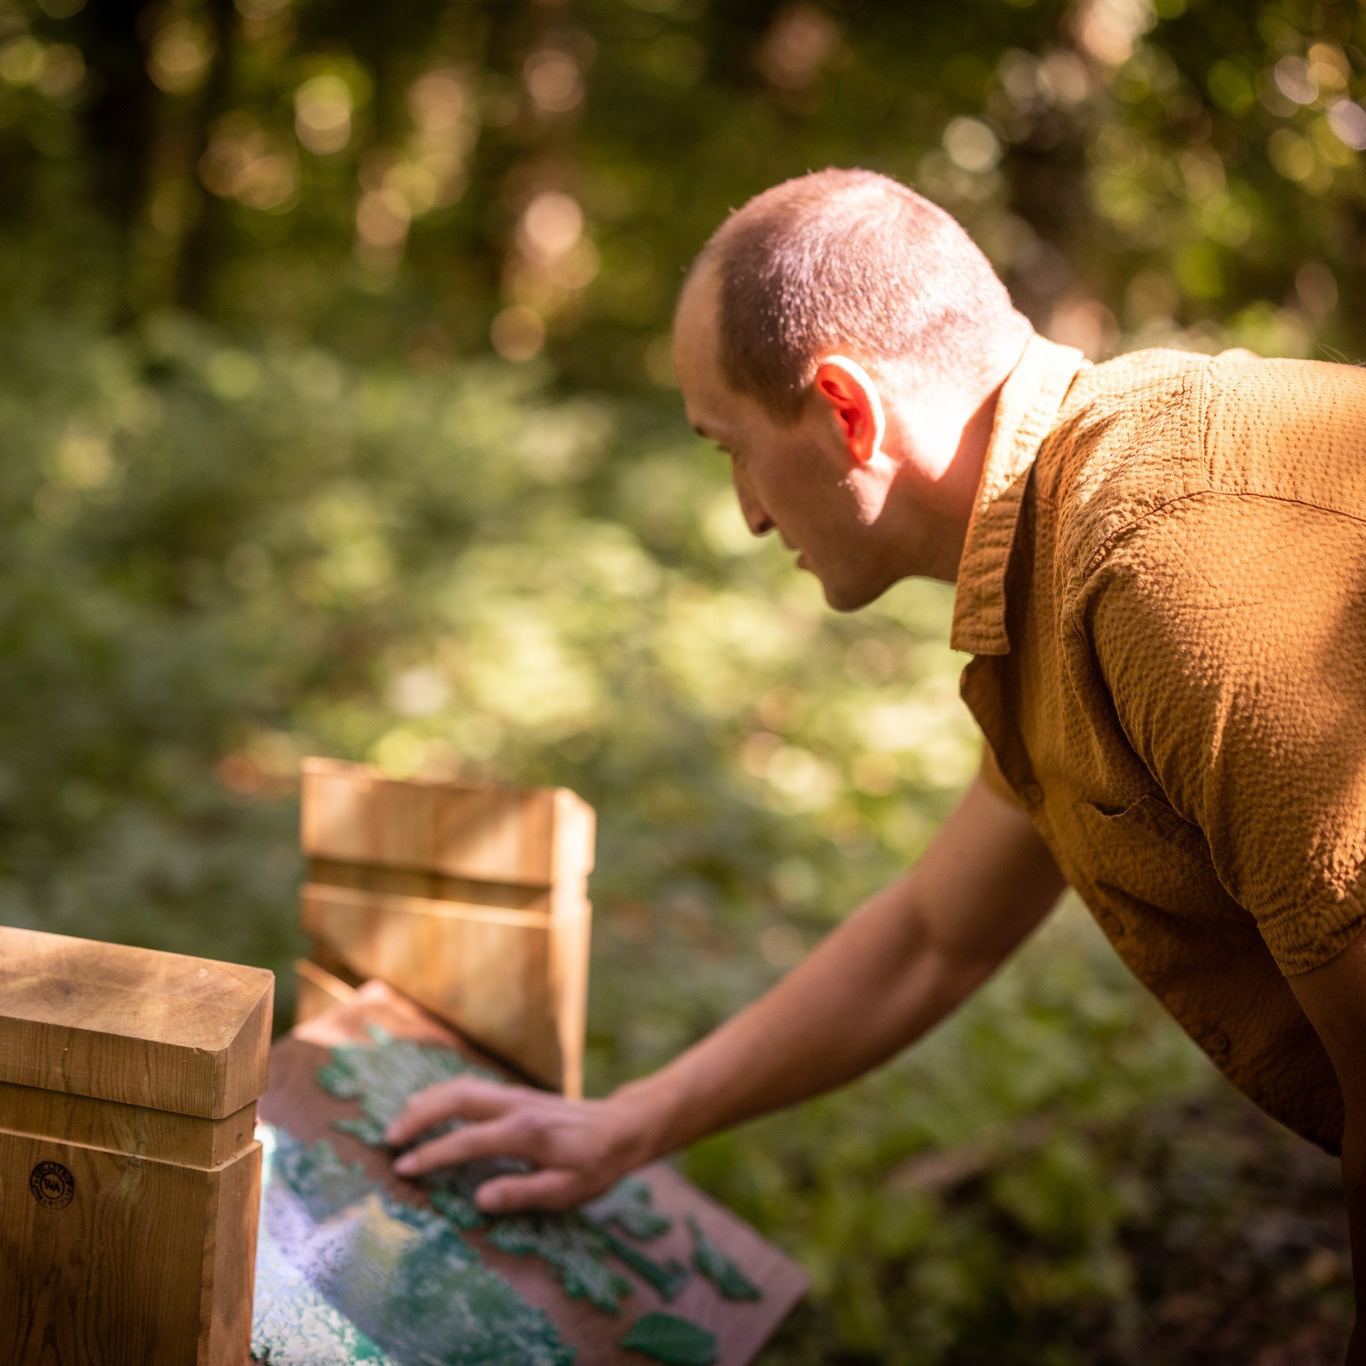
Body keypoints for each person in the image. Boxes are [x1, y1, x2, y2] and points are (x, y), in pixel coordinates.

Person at [386, 169, 1366, 1358]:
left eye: (732, 450)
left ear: (847, 411)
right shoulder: (1060, 559)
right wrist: (624, 1126)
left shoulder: (1162, 561)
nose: (747, 513)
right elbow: (931, 939)